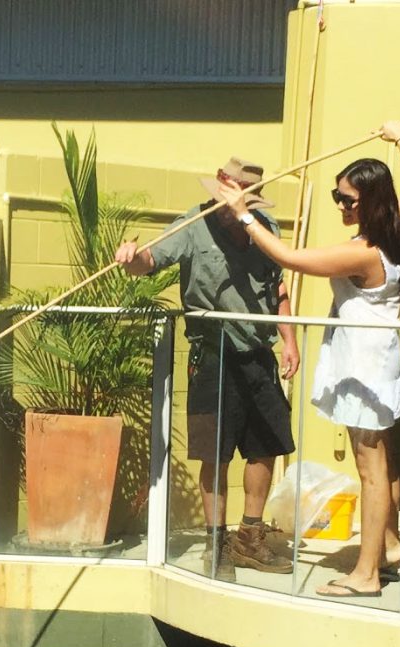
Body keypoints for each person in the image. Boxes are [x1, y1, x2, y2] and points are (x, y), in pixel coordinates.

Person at [212, 121, 400, 598]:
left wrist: (244, 214)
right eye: (337, 197)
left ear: (371, 202)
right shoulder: (397, 225)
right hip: (377, 365)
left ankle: (366, 575)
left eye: (348, 199)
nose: (341, 206)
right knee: (379, 464)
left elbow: (290, 258)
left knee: (371, 472)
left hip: (365, 368)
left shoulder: (367, 252)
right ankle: (388, 547)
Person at [115, 157, 301, 582]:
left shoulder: (265, 228)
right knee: (214, 451)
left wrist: (289, 340)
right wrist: (131, 259)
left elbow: (279, 288)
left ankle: (249, 538)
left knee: (266, 444)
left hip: (258, 353)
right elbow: (149, 260)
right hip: (212, 355)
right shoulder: (192, 225)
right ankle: (216, 545)